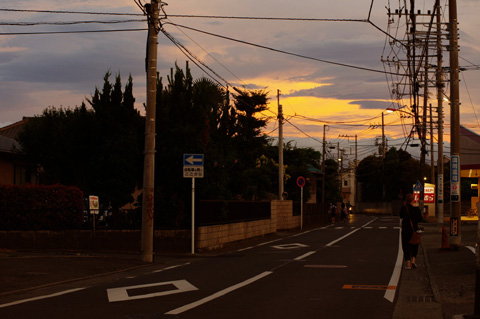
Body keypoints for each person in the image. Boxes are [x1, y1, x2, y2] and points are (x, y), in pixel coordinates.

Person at [399, 193, 423, 269]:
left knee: (406, 245)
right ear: (413, 200)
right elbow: (420, 219)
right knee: (414, 245)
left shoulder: (404, 208)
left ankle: (408, 263)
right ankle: (413, 261)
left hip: (406, 230)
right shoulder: (417, 209)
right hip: (414, 230)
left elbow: (400, 215)